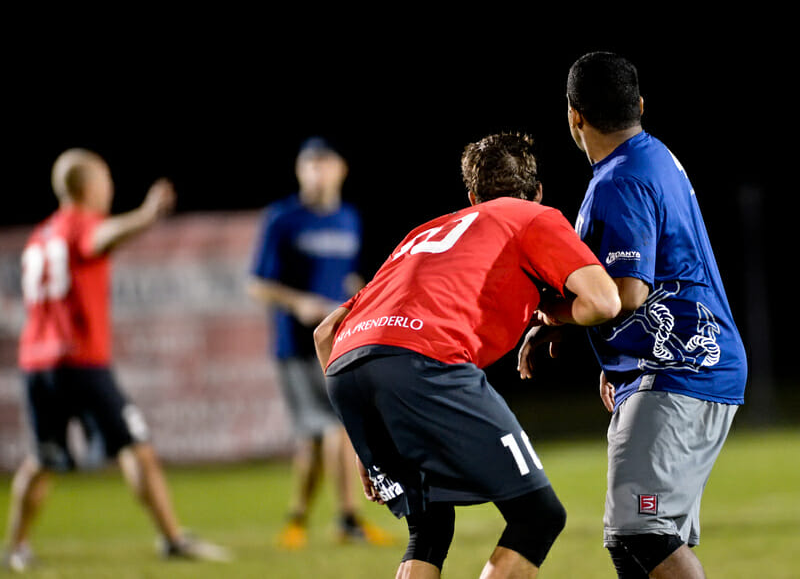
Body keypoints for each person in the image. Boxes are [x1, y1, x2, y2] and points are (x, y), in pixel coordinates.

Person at [313, 133, 622, 578]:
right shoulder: (532, 216)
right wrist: (548, 314)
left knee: (430, 527)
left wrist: (363, 437)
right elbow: (604, 301)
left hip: (348, 369)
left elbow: (327, 332)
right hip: (423, 361)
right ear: (536, 193)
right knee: (538, 515)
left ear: (472, 197)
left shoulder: (424, 232)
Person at [518, 52, 747, 579]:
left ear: (574, 116)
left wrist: (550, 317)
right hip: (678, 366)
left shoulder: (620, 179)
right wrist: (618, 355)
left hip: (681, 372)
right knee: (639, 543)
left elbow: (626, 292)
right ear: (639, 105)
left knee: (641, 532)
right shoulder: (655, 156)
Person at [4, 148, 231, 572]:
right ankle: (173, 539)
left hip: (36, 363)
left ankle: (15, 546)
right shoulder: (79, 225)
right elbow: (99, 238)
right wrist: (146, 214)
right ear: (86, 186)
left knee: (43, 457)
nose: (109, 186)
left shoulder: (42, 233)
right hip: (79, 361)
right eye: (105, 178)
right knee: (136, 446)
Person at [247, 136, 394, 549]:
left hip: (338, 339)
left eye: (323, 163)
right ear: (299, 171)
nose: (316, 171)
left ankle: (297, 519)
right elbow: (257, 284)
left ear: (341, 169)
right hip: (295, 344)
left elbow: (345, 277)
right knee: (337, 425)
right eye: (308, 164)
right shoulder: (283, 218)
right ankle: (348, 518)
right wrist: (299, 303)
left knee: (314, 436)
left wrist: (360, 295)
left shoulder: (348, 217)